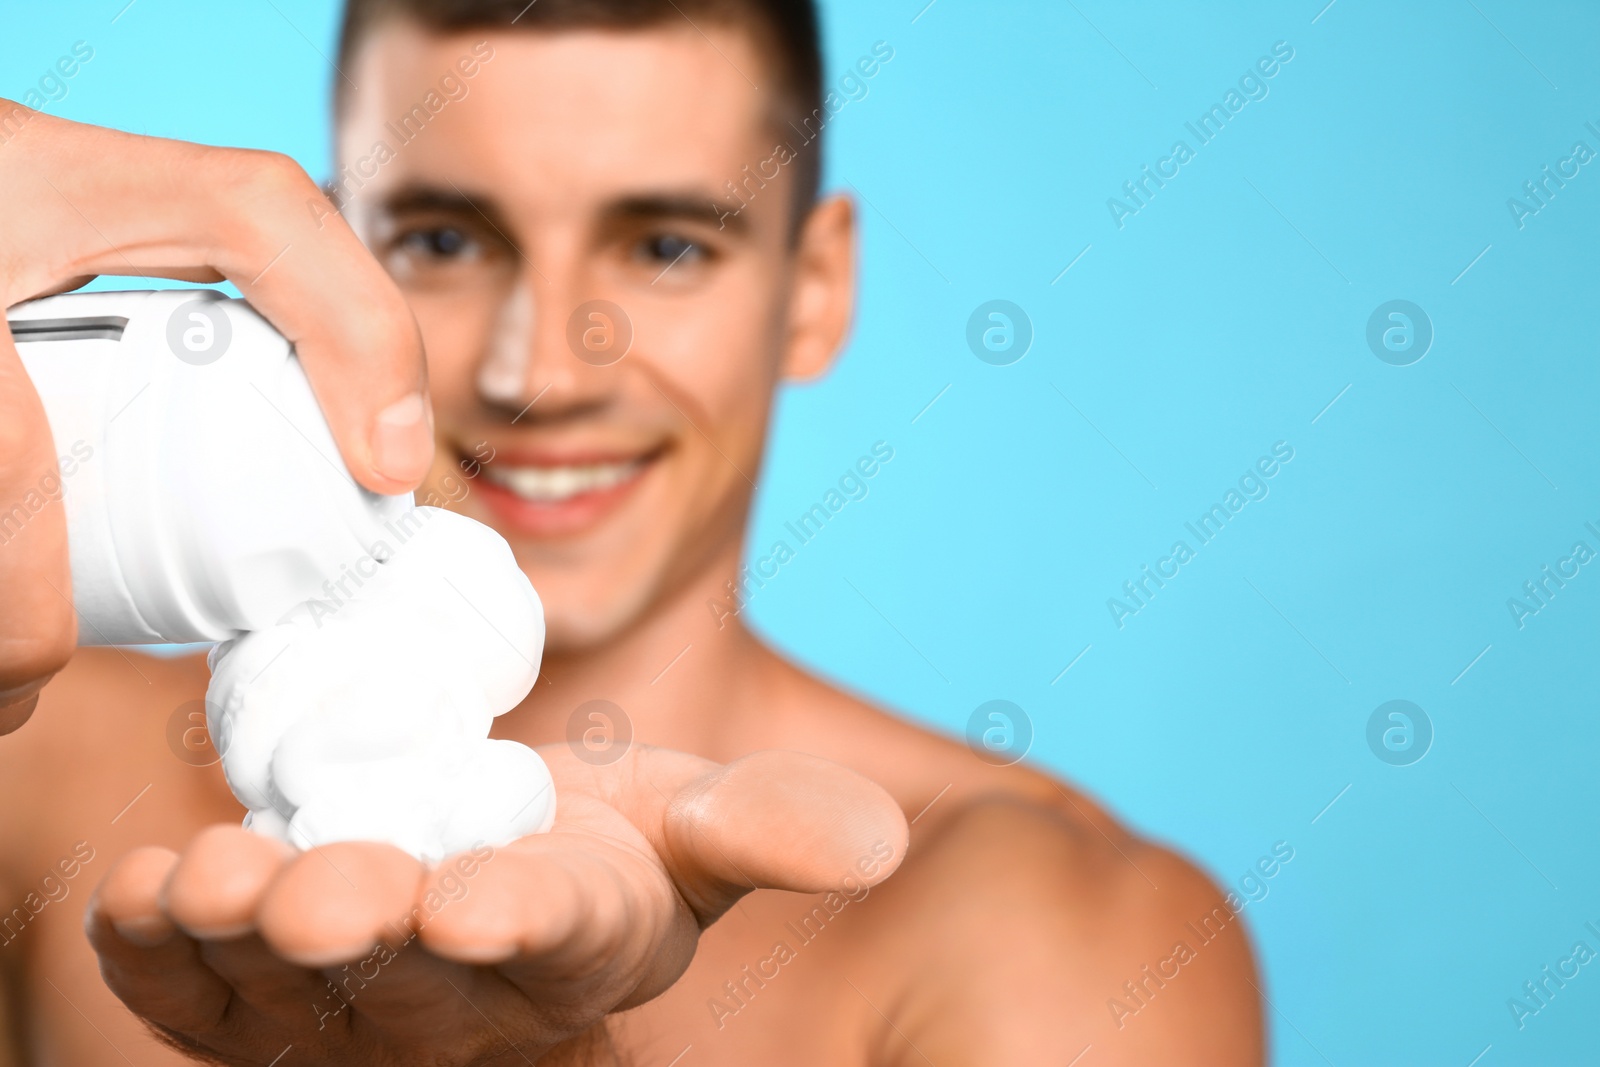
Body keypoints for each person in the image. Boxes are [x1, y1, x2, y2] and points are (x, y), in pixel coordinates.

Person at [0, 1, 1265, 1063]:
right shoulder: (39, 768)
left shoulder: (1063, 933)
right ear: (325, 258)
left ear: (813, 289)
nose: (542, 366)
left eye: (664, 245)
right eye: (443, 239)